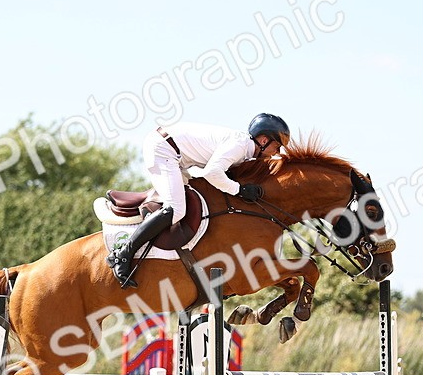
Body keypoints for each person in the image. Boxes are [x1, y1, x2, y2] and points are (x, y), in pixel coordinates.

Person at [106, 113, 291, 288]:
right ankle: (123, 254)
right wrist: (239, 190)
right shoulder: (241, 146)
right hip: (163, 150)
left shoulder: (245, 149)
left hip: (175, 154)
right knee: (176, 209)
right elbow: (212, 173)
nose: (277, 152)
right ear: (264, 140)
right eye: (277, 146)